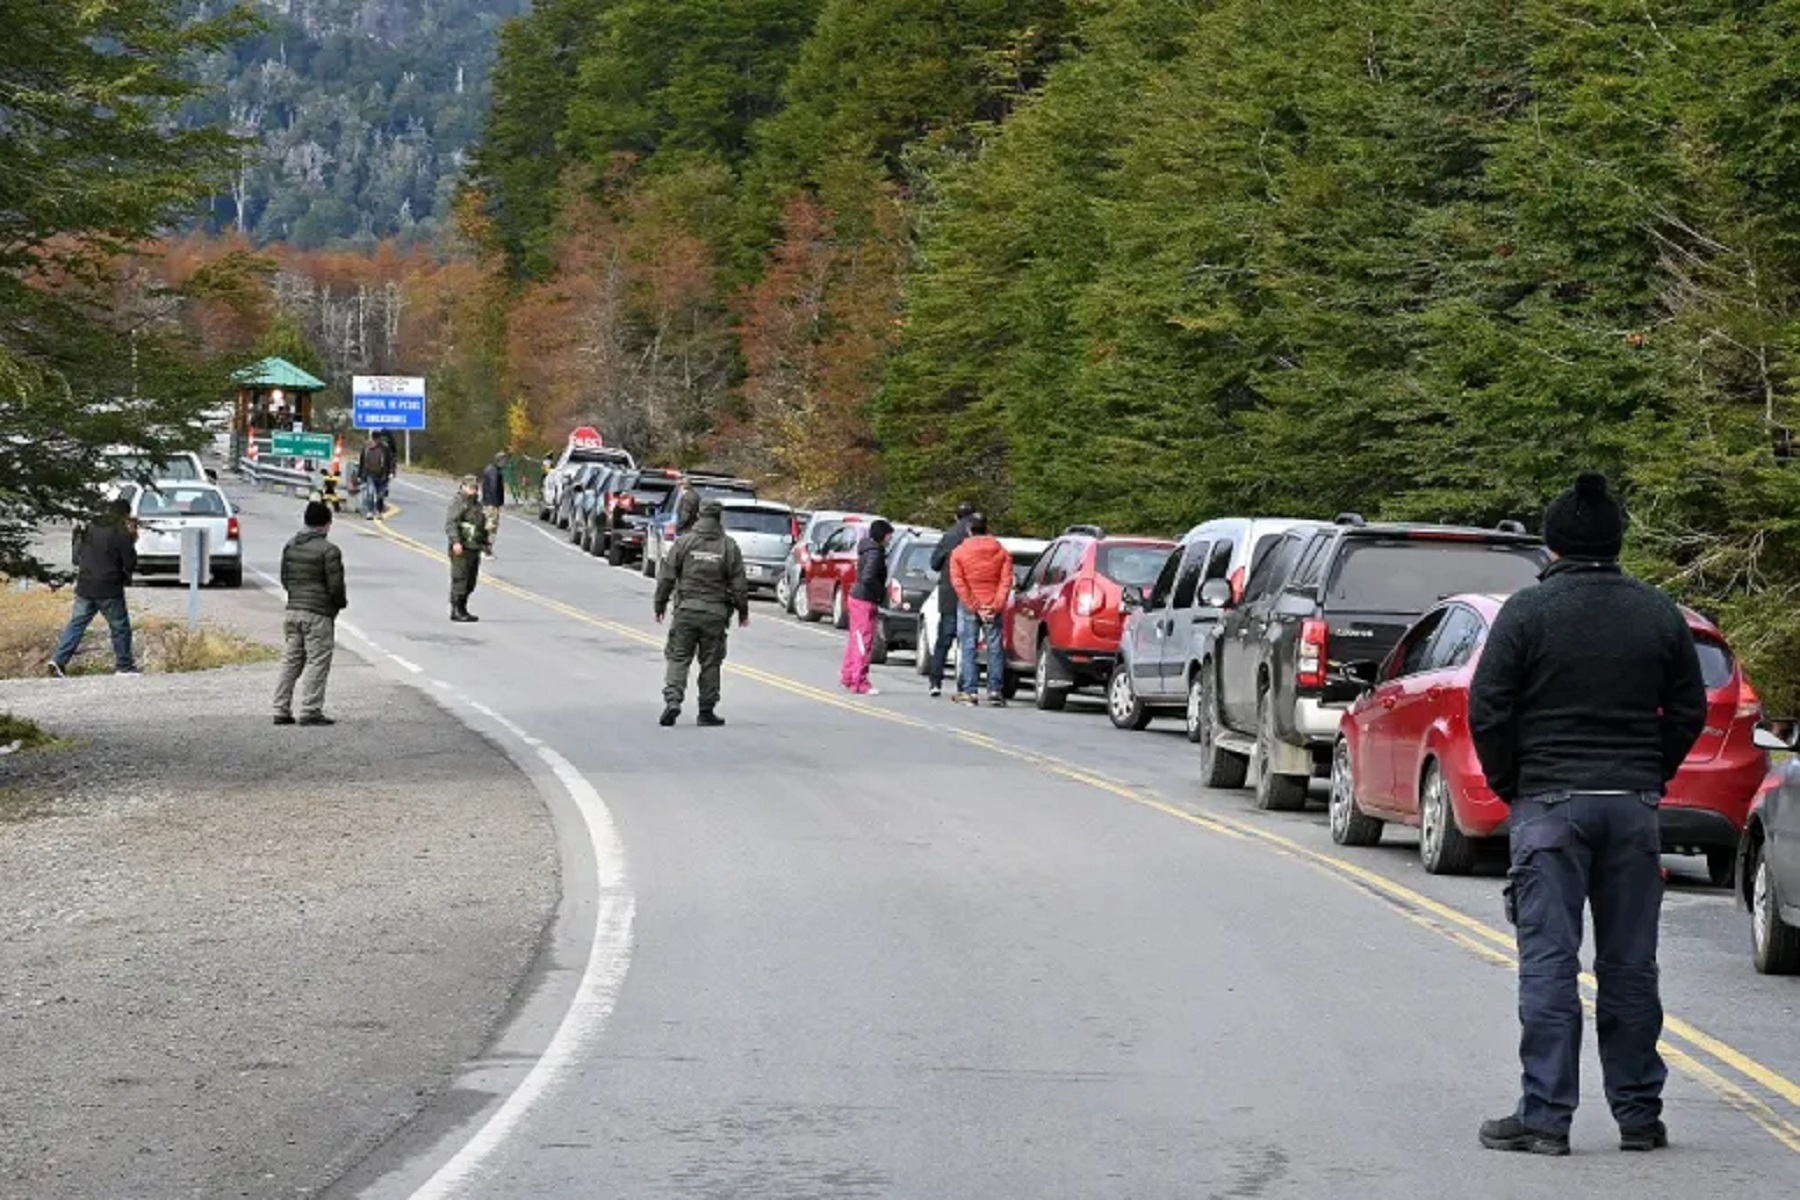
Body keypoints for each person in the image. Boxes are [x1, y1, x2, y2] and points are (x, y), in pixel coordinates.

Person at [1469, 472, 1707, 1157]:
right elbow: (1687, 708)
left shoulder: (1527, 613)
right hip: (1630, 806)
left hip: (1549, 803)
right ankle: (1638, 1116)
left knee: (1549, 962)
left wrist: (1516, 781)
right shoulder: (1657, 612)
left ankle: (1546, 1117)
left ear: (1552, 545)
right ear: (1617, 541)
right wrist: (1648, 771)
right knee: (1631, 966)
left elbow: (1489, 707)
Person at [654, 499, 750, 727]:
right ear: (719, 518)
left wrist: (659, 605)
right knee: (711, 662)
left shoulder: (684, 542)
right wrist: (742, 611)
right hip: (715, 614)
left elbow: (667, 576)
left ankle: (673, 701)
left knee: (678, 657)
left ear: (699, 516)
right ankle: (706, 710)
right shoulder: (729, 546)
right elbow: (739, 584)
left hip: (686, 610)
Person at [272, 501, 348, 727]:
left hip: (293, 610)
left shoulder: (290, 545)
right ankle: (310, 710)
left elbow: (285, 579)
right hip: (318, 613)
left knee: (291, 661)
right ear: (326, 525)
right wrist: (338, 605)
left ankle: (280, 708)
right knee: (317, 660)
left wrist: (295, 596)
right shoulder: (329, 551)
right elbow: (336, 587)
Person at [49, 497, 139, 677]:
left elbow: (76, 557)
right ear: (124, 514)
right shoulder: (120, 532)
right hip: (109, 587)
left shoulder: (87, 528)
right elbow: (130, 562)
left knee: (77, 624)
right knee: (120, 626)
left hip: (84, 585)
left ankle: (58, 660)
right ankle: (124, 666)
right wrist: (132, 541)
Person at [948, 513, 1014, 707]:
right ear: (987, 528)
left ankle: (969, 691)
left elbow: (959, 583)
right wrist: (995, 605)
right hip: (993, 604)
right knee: (995, 648)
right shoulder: (1001, 552)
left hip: (970, 605)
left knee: (968, 647)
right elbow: (1006, 581)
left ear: (969, 530)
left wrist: (975, 605)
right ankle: (995, 690)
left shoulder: (959, 552)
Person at [927, 501, 976, 698]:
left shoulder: (949, 537)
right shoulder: (977, 538)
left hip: (950, 594)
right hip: (972, 595)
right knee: (968, 641)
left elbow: (934, 564)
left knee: (944, 641)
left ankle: (935, 681)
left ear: (956, 517)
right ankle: (964, 684)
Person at [841, 519, 894, 695]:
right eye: (889, 535)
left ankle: (848, 675)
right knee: (863, 641)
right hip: (865, 599)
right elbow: (868, 577)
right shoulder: (874, 553)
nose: (890, 539)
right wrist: (881, 593)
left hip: (859, 598)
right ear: (882, 535)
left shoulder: (869, 549)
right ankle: (859, 681)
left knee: (855, 639)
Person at [446, 475, 491, 623]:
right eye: (471, 487)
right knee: (460, 578)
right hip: (462, 546)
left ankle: (463, 608)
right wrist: (455, 542)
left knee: (471, 581)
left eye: (475, 487)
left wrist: (485, 543)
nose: (473, 490)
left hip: (474, 547)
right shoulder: (458, 502)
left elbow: (480, 526)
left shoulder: (477, 505)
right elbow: (451, 523)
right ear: (463, 486)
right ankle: (456, 609)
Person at [358, 436, 393, 519]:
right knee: (370, 493)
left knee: (380, 495)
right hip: (370, 475)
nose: (372, 443)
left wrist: (391, 472)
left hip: (382, 476)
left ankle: (379, 512)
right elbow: (362, 463)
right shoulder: (366, 450)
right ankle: (370, 512)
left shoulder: (384, 449)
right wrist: (360, 475)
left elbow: (390, 461)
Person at [480, 451, 508, 554]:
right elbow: (494, 487)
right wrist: (497, 503)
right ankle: (487, 547)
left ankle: (486, 546)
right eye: (504, 460)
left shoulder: (490, 469)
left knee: (488, 524)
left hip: (488, 502)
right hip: (491, 503)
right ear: (499, 460)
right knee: (491, 525)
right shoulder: (494, 472)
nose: (505, 462)